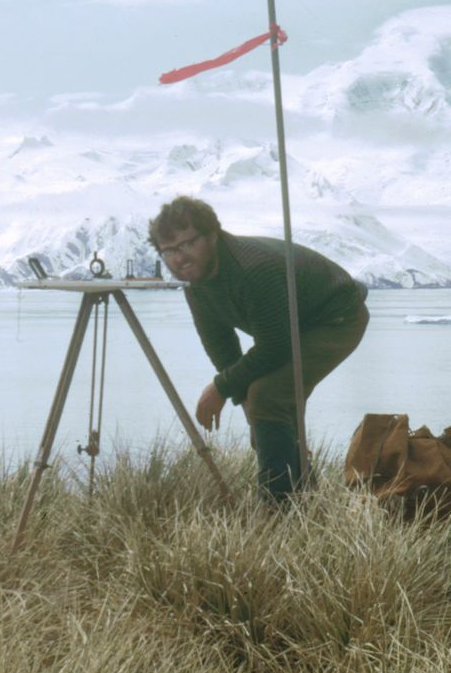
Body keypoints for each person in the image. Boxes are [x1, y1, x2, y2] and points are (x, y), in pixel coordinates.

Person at [149, 194, 369, 504]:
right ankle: (304, 500)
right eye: (168, 250)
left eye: (187, 244)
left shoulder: (251, 269)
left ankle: (276, 512)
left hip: (336, 318)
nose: (179, 258)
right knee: (262, 408)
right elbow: (221, 345)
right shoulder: (196, 282)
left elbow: (275, 347)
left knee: (268, 396)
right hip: (293, 327)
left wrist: (220, 388)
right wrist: (241, 399)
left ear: (212, 235)